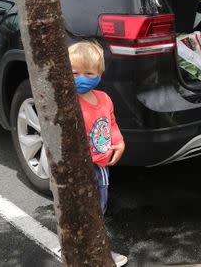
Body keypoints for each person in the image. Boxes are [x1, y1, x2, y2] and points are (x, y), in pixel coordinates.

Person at [68, 41, 128, 266]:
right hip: (77, 167)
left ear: (99, 74)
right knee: (76, 208)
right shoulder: (67, 102)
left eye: (88, 73)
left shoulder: (104, 98)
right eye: (74, 72)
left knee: (98, 208)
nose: (81, 78)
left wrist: (119, 143)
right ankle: (78, 247)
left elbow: (110, 124)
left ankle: (93, 247)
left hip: (100, 165)